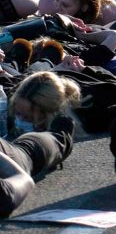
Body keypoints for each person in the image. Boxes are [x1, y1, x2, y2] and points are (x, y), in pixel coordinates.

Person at [0, 76, 78, 219]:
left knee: (60, 137)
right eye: (18, 114)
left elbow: (18, 186)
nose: (21, 120)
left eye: (27, 117)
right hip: (21, 152)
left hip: (26, 152)